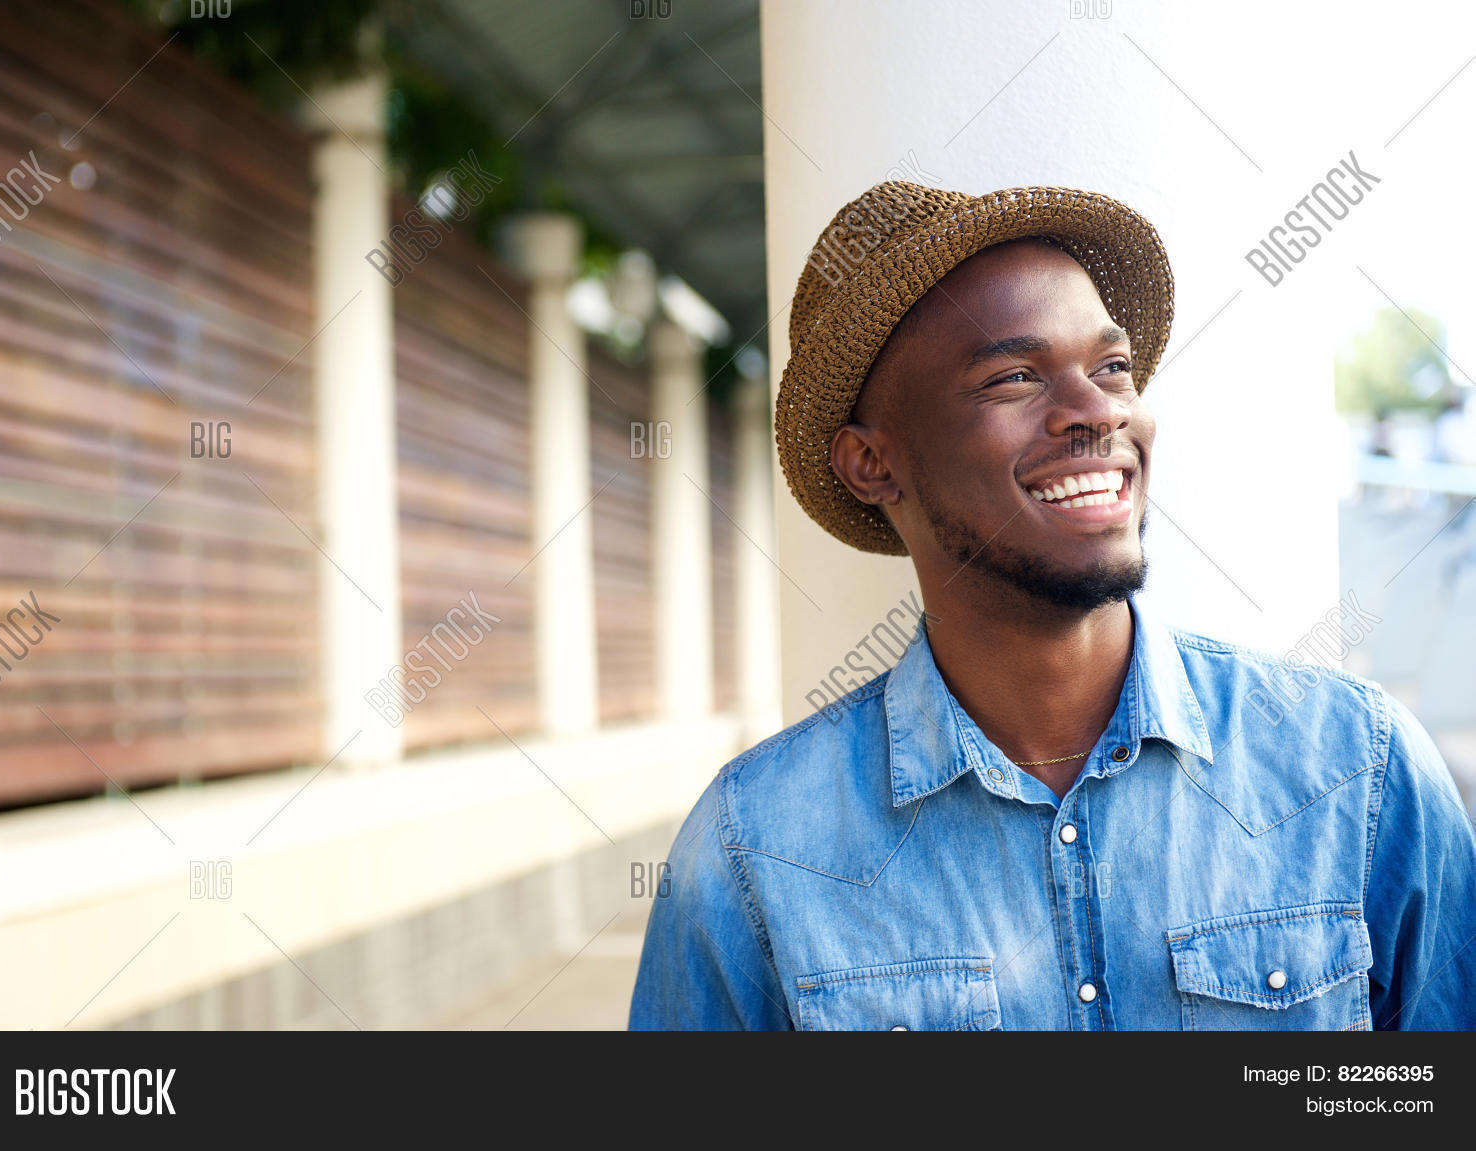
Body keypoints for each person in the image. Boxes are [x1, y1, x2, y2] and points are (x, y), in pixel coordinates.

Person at [628, 182, 1476, 1030]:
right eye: (1014, 377)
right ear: (871, 464)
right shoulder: (752, 851)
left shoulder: (1357, 770)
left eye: (1113, 367)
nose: (1099, 410)